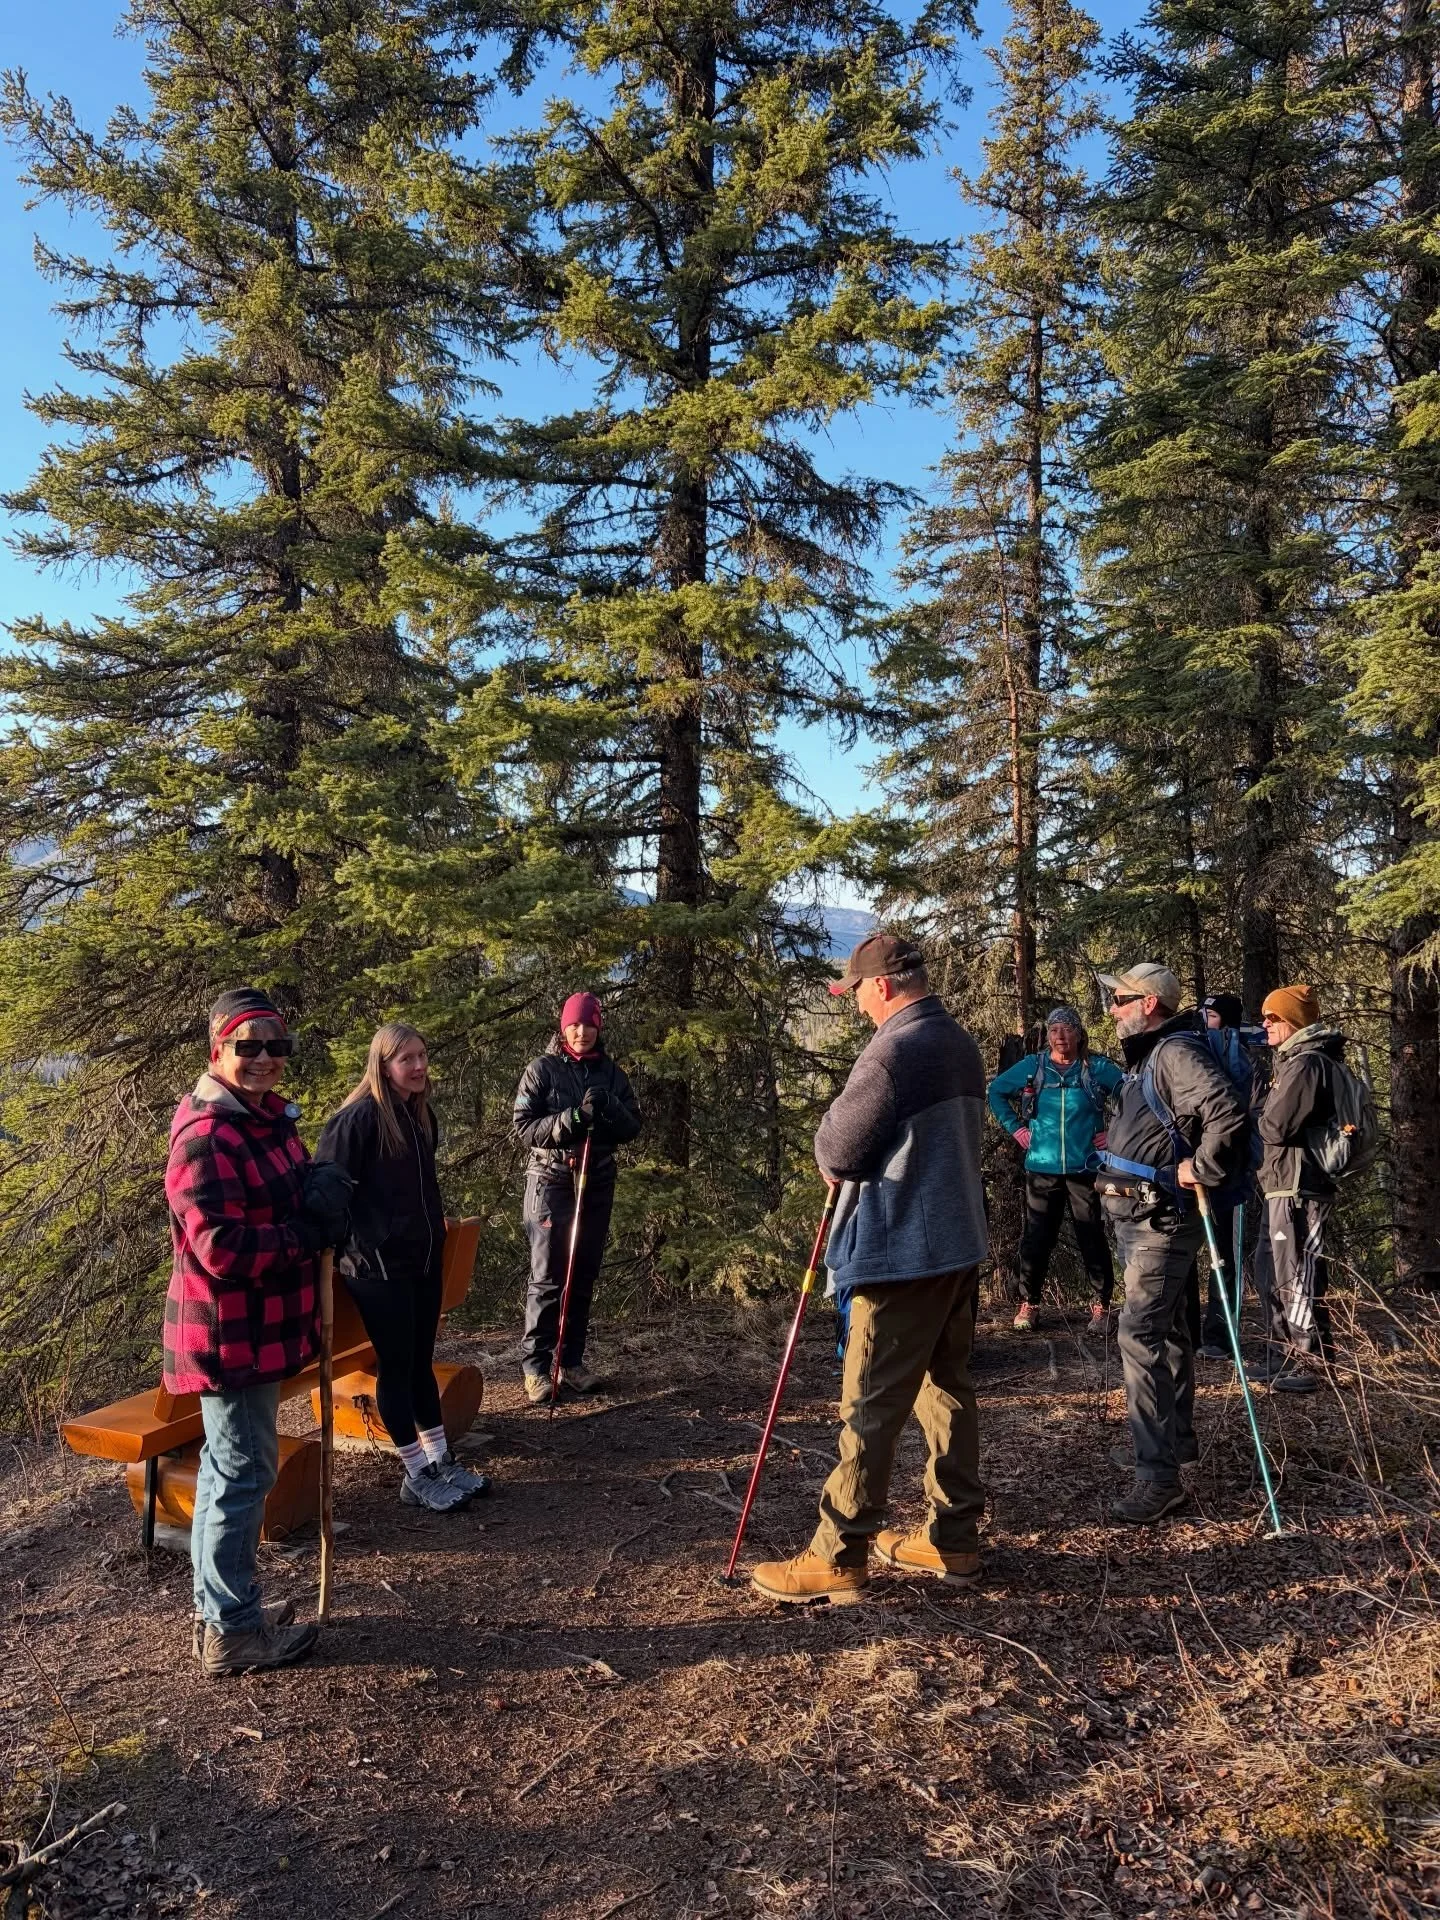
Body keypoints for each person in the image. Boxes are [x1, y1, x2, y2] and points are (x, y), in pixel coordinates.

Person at [749, 933, 989, 1603]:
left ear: (882, 985)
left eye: (855, 991)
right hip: (954, 1245)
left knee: (869, 1406)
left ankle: (840, 1553)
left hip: (899, 1252)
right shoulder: (957, 1043)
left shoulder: (894, 1051)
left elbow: (837, 1146)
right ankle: (954, 1538)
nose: (855, 1003)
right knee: (946, 1393)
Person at [163, 988, 351, 1678]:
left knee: (227, 1469)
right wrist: (305, 1233)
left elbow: (291, 1185)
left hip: (257, 1331)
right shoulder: (208, 1135)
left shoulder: (263, 1119)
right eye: (249, 1046)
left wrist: (319, 1181)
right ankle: (233, 1630)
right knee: (244, 1472)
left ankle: (220, 1615)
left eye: (277, 1046)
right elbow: (220, 1249)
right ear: (218, 1050)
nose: (266, 1058)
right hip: (229, 1334)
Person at [1093, 963, 1248, 1523]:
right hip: (1142, 1215)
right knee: (1174, 1331)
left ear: (1150, 1003)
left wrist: (1200, 1168)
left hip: (1160, 1220)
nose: (1111, 1009)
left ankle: (1158, 1477)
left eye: (1121, 1000)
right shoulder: (1150, 1056)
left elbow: (1228, 1113)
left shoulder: (1176, 1053)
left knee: (1139, 1336)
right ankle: (1174, 1441)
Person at [316, 1024, 490, 1511]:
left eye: (422, 1056)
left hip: (421, 1260)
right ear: (382, 1064)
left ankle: (439, 1459)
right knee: (395, 1367)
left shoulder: (418, 1115)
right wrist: (331, 1243)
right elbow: (327, 1192)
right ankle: (415, 1472)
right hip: (376, 1269)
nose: (417, 1067)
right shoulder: (355, 1121)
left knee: (419, 1363)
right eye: (405, 1059)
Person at [512, 992, 642, 1405]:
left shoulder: (612, 1074)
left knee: (583, 1274)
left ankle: (571, 1363)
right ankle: (536, 1368)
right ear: (562, 1027)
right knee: (549, 1276)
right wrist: (571, 1119)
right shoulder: (542, 1070)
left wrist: (607, 1108)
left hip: (597, 1179)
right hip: (551, 1180)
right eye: (574, 1024)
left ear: (598, 1027)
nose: (581, 1032)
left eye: (588, 1024)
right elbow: (523, 1127)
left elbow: (631, 1127)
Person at [987, 1006, 1122, 1335]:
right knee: (1036, 1239)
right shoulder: (1035, 1067)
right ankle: (1029, 1303)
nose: (1060, 1036)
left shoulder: (1097, 1067)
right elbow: (996, 1092)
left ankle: (1102, 1307)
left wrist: (1115, 1132)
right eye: (1054, 1031)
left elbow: (1132, 1097)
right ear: (1047, 1036)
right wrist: (1017, 1129)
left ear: (1079, 1033)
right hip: (1042, 1168)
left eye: (1067, 1030)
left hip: (1086, 1167)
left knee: (1091, 1236)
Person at [1254, 983, 1343, 1393]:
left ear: (1294, 1021)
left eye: (1274, 1017)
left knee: (1298, 1271)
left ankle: (1313, 1361)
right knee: (1272, 1268)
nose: (1265, 1024)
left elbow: (1275, 1125)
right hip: (1283, 1182)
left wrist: (1261, 1112)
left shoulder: (1307, 1063)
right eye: (1265, 1017)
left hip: (1300, 1183)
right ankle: (1283, 1356)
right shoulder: (1294, 1061)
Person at [1188, 992, 1254, 1361]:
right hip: (1192, 1165)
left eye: (1210, 1015)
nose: (1203, 1021)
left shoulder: (1236, 1052)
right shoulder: (1196, 1048)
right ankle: (1196, 1331)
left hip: (1227, 1169)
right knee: (1191, 1250)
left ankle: (1219, 1334)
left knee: (1223, 1254)